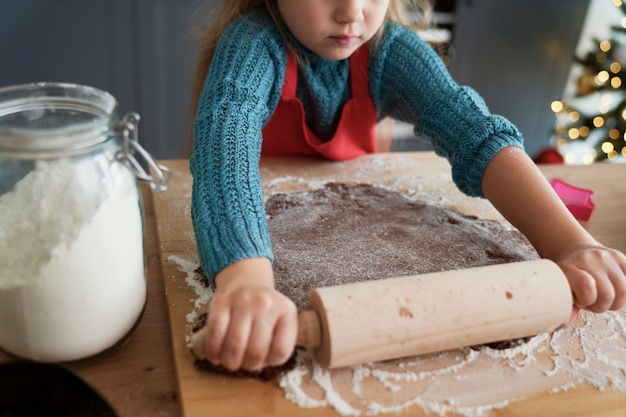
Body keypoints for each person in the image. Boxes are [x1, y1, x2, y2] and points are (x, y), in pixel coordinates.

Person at [188, 0, 626, 372]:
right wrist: (247, 284)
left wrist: (568, 242)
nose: (351, 13)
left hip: (346, 212)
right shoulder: (251, 45)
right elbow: (226, 148)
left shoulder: (389, 51)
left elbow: (474, 131)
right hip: (251, 216)